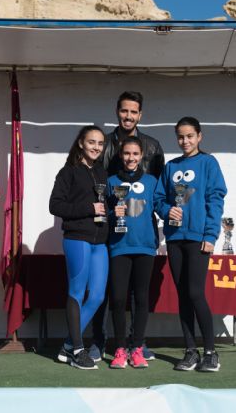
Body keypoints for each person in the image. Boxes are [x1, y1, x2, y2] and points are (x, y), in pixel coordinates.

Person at [90, 91, 164, 361]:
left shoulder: (153, 146)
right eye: (124, 111)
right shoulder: (104, 143)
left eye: (133, 111)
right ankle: (100, 341)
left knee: (139, 296)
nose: (128, 116)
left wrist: (171, 212)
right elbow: (95, 183)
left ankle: (137, 343)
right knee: (108, 291)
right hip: (110, 233)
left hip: (141, 235)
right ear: (117, 111)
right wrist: (106, 211)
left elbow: (159, 192)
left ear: (140, 114)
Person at [154, 116, 227, 372]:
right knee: (183, 295)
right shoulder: (170, 167)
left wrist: (210, 235)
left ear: (199, 136)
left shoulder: (208, 163)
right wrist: (167, 211)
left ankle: (210, 352)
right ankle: (190, 351)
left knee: (195, 293)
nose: (185, 141)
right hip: (175, 239)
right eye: (180, 137)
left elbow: (215, 199)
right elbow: (159, 198)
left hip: (198, 238)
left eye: (190, 136)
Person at [49, 125, 109, 370]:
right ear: (81, 144)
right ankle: (77, 349)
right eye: (91, 142)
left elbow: (103, 204)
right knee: (76, 292)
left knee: (97, 296)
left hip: (100, 242)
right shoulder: (68, 172)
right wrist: (89, 208)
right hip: (77, 239)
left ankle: (67, 345)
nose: (96, 147)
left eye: (100, 143)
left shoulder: (102, 172)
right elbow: (55, 206)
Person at [106, 137, 159, 369]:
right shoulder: (110, 182)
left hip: (145, 246)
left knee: (141, 299)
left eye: (135, 154)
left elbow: (160, 206)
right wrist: (112, 213)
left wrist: (176, 210)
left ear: (141, 156)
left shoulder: (152, 181)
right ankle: (120, 348)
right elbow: (103, 213)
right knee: (118, 299)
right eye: (127, 153)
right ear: (120, 155)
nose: (131, 158)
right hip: (119, 246)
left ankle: (137, 347)